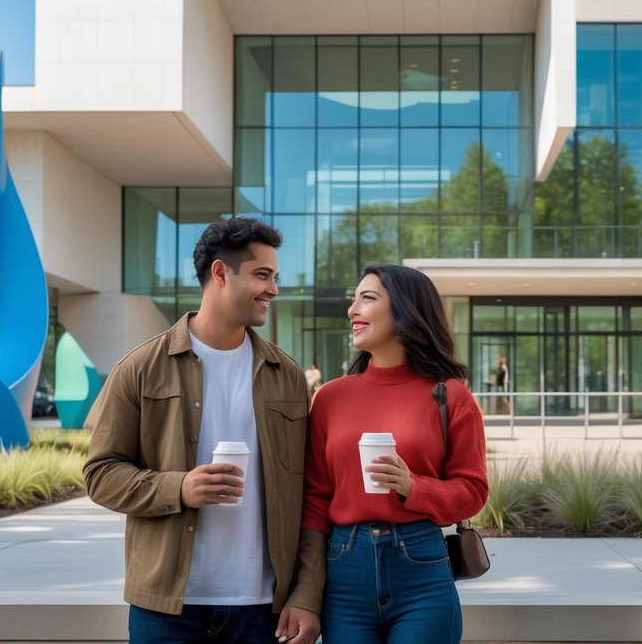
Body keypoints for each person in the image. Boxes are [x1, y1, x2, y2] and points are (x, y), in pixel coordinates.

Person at [83, 217, 321, 644]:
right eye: (262, 275)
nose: (274, 289)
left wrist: (306, 591)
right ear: (220, 273)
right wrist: (178, 488)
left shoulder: (286, 375)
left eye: (275, 277)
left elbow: (312, 492)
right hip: (166, 609)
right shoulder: (140, 368)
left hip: (264, 609)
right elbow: (100, 474)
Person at [301, 263, 488, 643]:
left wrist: (413, 486)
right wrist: (304, 593)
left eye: (366, 298)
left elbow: (473, 492)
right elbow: (315, 500)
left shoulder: (451, 396)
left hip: (422, 570)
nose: (352, 310)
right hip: (343, 572)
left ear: (405, 309)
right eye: (353, 300)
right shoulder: (330, 398)